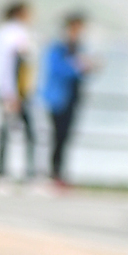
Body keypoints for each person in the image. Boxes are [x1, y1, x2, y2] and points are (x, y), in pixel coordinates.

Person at [40, 10, 96, 187]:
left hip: (73, 98)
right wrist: (79, 68)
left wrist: (88, 68)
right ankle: (53, 174)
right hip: (58, 98)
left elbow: (80, 72)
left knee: (65, 137)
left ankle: (59, 173)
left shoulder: (78, 48)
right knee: (58, 136)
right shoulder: (58, 48)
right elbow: (58, 70)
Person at [0, 0, 36, 181]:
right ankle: (25, 174)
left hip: (8, 89)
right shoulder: (15, 35)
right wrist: (11, 94)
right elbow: (10, 66)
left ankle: (2, 173)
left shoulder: (3, 33)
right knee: (23, 132)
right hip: (14, 91)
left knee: (6, 131)